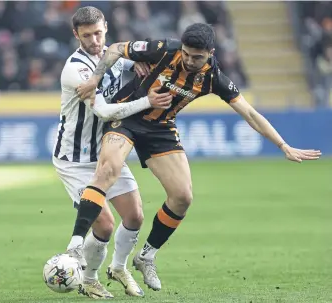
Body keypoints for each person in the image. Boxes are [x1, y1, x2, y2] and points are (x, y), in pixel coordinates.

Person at [71, 23, 322, 291]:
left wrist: (283, 145)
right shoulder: (165, 49)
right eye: (187, 54)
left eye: (197, 57)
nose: (190, 61)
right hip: (126, 116)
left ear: (210, 53)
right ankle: (75, 244)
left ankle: (146, 256)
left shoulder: (214, 78)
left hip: (161, 128)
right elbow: (117, 49)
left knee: (182, 197)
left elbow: (249, 113)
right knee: (109, 169)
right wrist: (96, 78)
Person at [53, 6, 172, 299]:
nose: (94, 40)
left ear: (106, 27)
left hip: (107, 151)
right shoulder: (76, 69)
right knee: (105, 224)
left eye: (98, 33)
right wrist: (147, 101)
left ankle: (118, 268)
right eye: (87, 36)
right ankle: (90, 278)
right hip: (75, 159)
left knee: (135, 217)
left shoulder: (114, 56)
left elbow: (133, 62)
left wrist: (139, 62)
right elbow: (104, 111)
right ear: (75, 35)